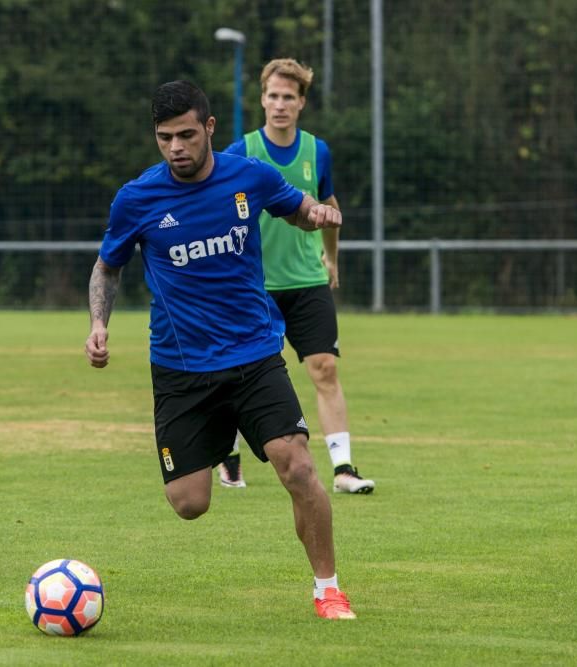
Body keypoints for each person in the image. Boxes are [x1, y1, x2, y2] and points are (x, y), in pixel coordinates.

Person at [85, 80, 356, 620]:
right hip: (181, 369)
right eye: (165, 138)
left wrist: (317, 215)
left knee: (297, 465)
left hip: (254, 355)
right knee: (190, 504)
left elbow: (295, 206)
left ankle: (328, 588)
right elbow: (107, 265)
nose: (176, 147)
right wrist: (98, 323)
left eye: (187, 134)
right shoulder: (137, 198)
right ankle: (222, 430)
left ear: (209, 128)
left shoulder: (247, 174)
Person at [217, 59, 374, 495]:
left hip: (306, 281)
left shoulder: (317, 151)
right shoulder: (241, 152)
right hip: (253, 287)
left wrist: (332, 258)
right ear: (262, 100)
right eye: (273, 96)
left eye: (289, 97)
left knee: (325, 369)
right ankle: (227, 457)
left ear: (301, 103)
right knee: (237, 374)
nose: (280, 104)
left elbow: (329, 204)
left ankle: (343, 468)